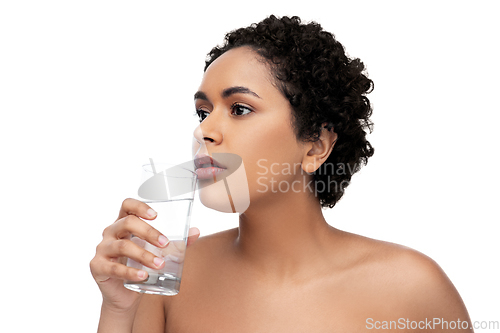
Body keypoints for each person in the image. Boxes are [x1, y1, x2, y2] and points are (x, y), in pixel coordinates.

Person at [90, 15, 472, 332]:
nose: (203, 130)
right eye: (203, 112)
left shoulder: (410, 287)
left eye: (239, 109)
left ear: (316, 145)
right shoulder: (169, 279)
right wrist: (119, 309)